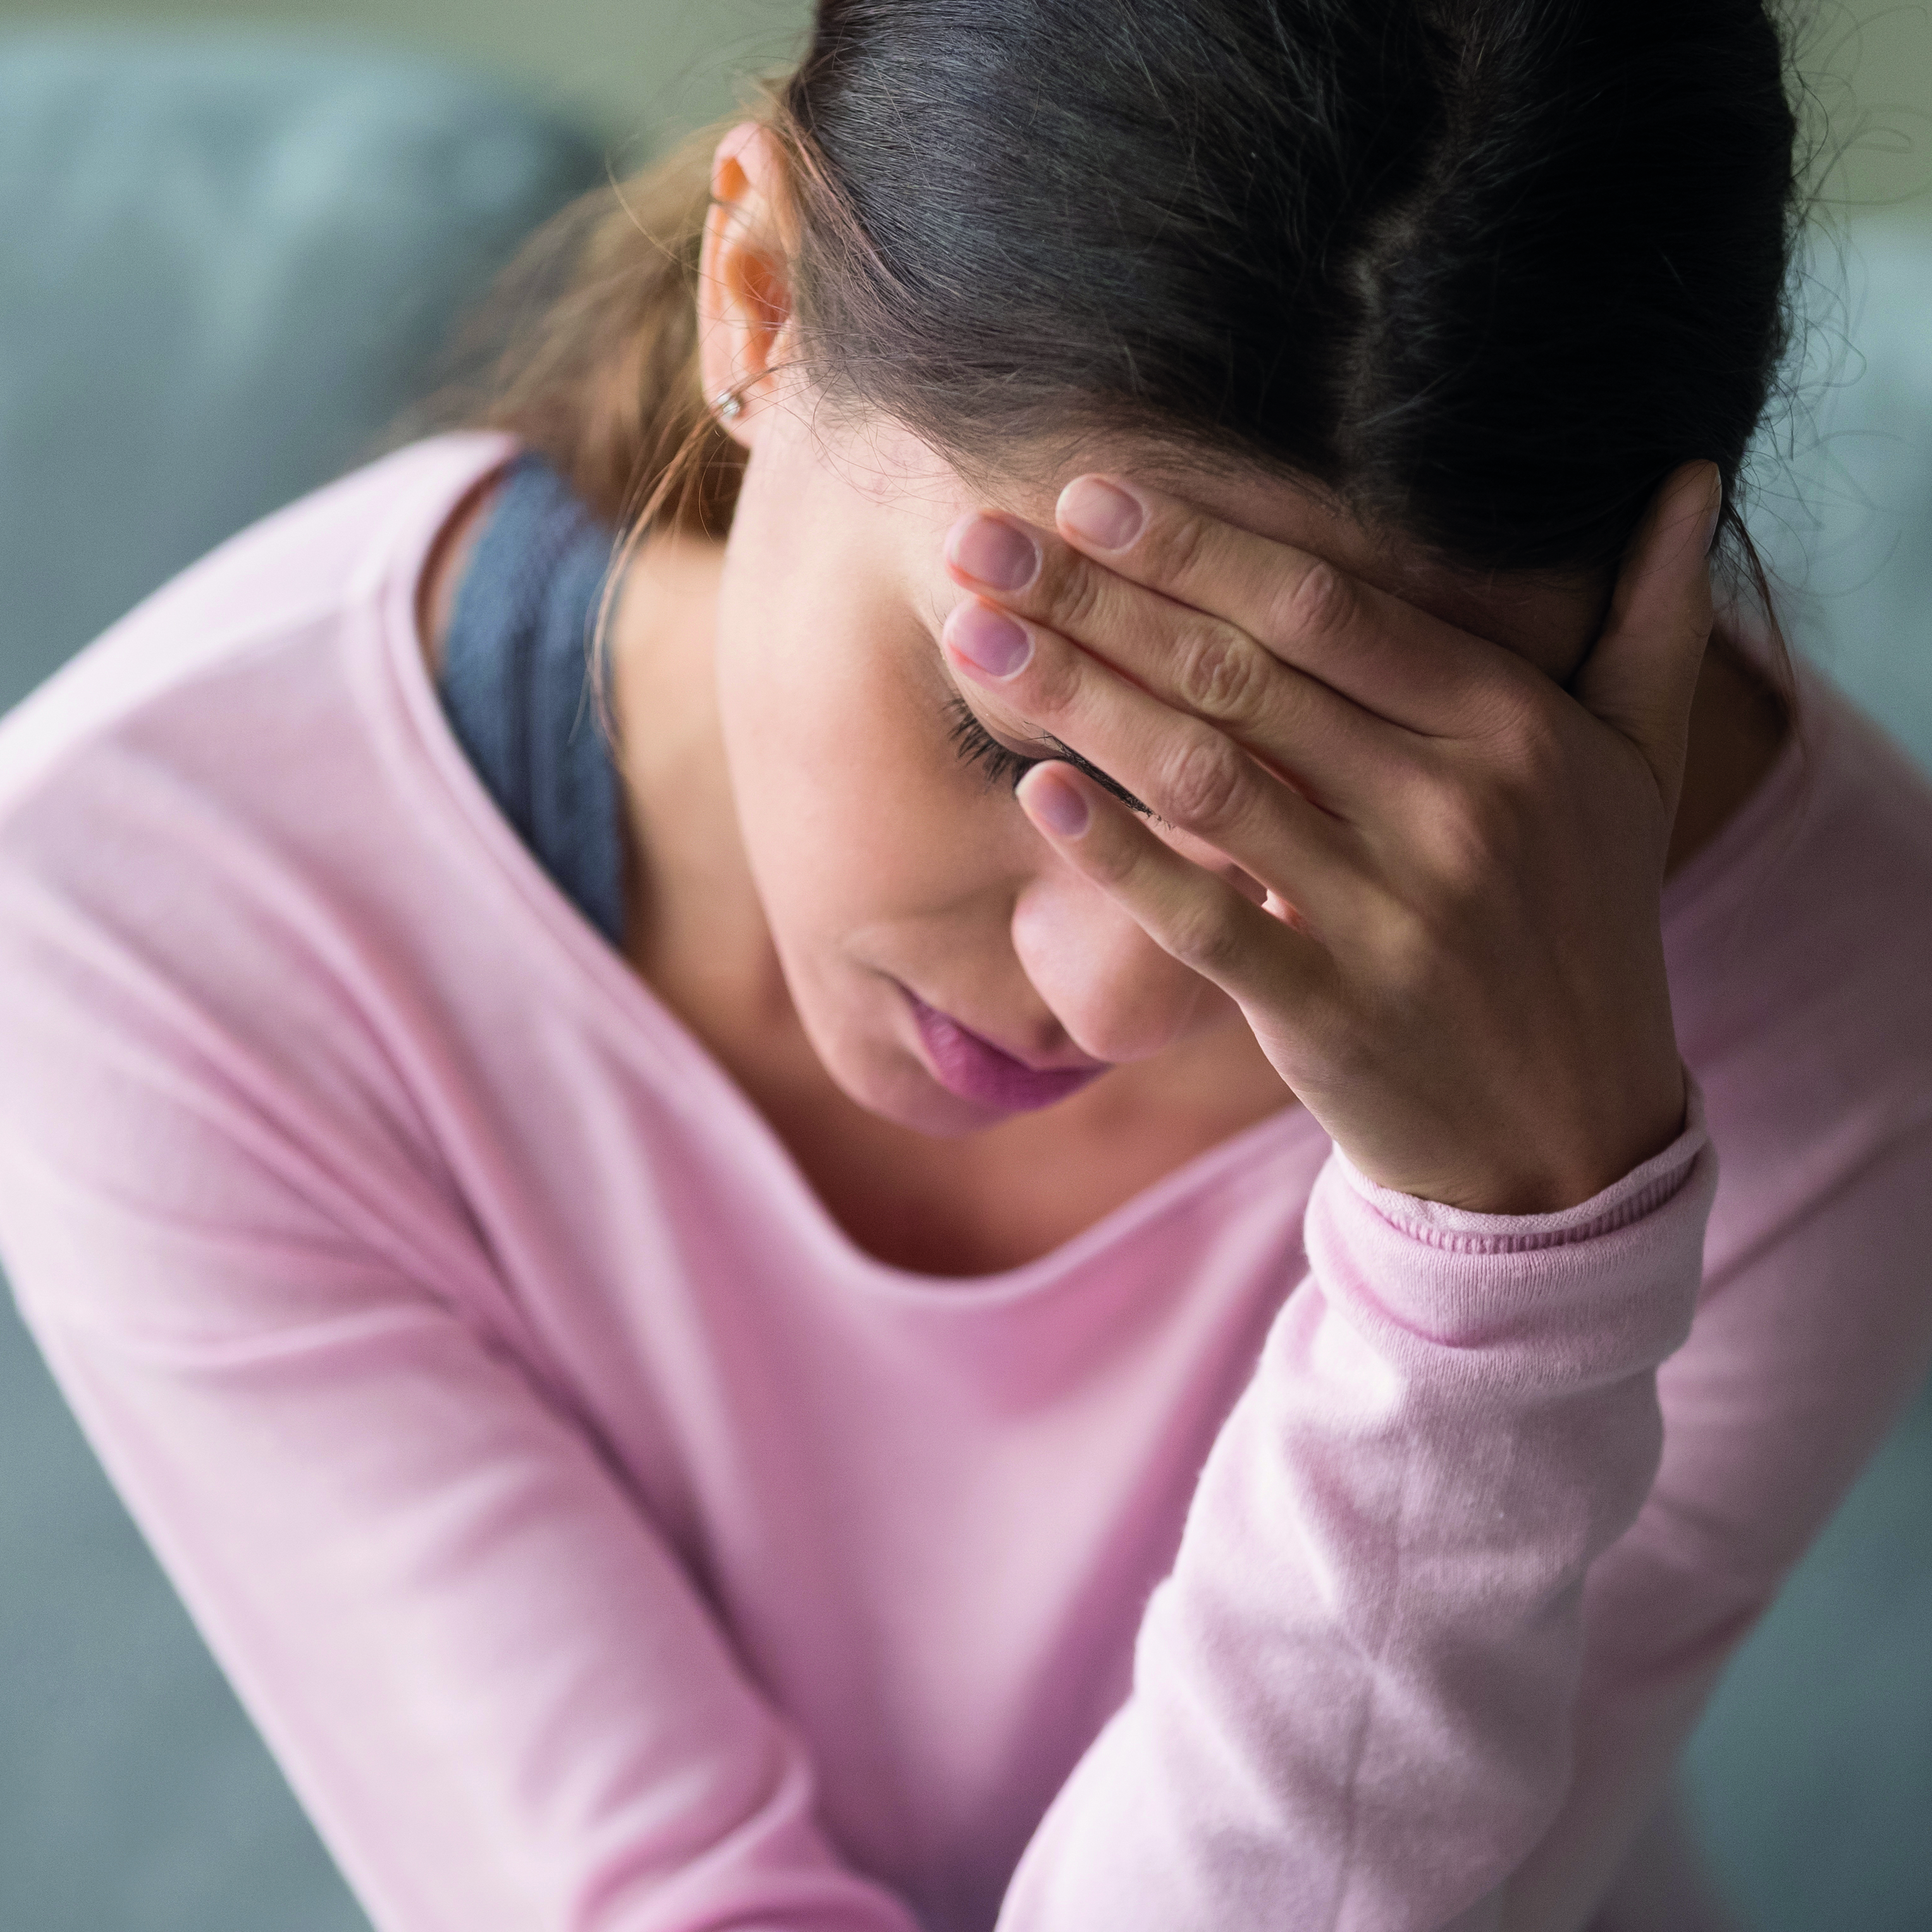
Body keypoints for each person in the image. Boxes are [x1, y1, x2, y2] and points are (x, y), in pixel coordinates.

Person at [2, 1, 1930, 1928]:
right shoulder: (151, 901)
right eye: (1005, 738)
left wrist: (1512, 1259)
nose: (1117, 997)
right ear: (752, 301)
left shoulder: (1820, 1015)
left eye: (1334, 825)